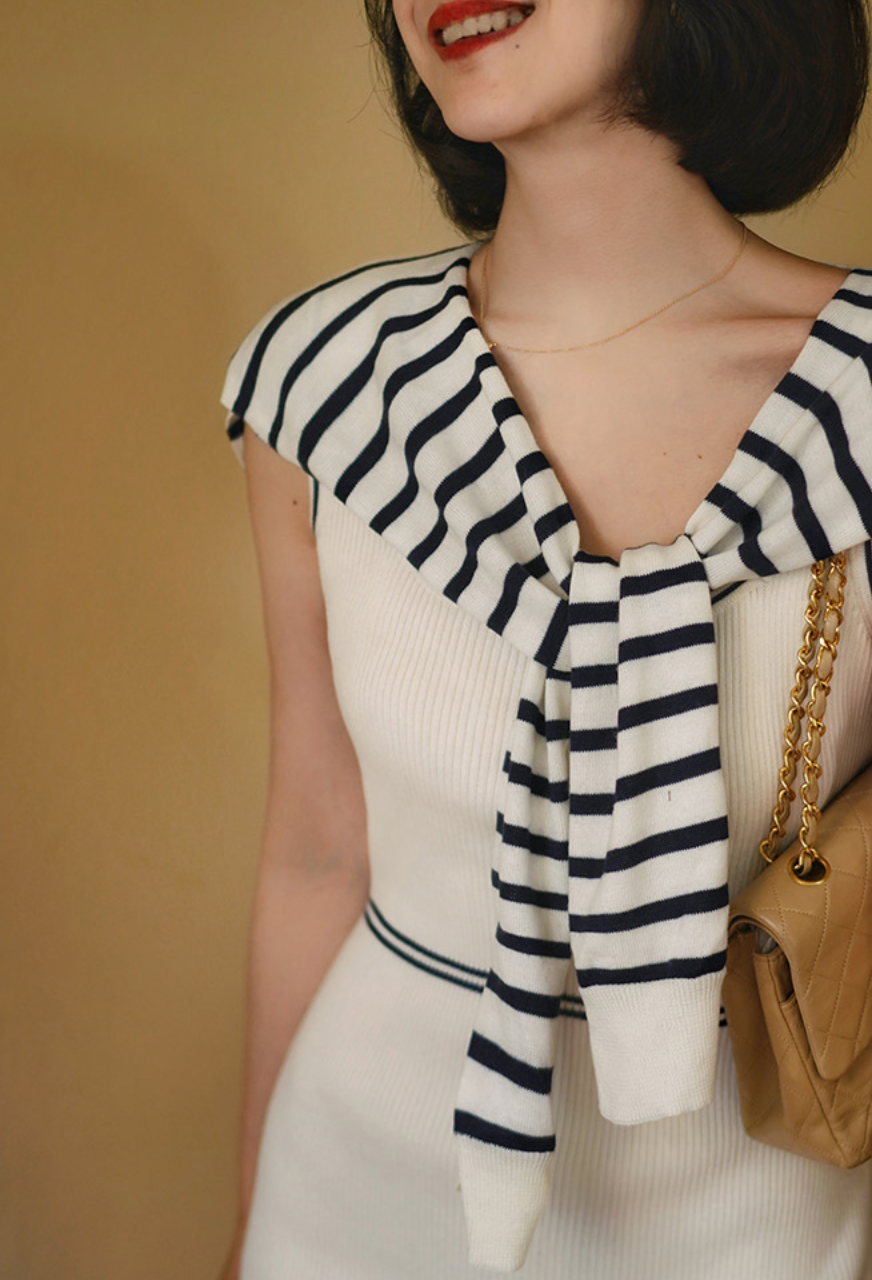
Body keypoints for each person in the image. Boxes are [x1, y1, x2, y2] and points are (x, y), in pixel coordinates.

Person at [219, 1, 872, 1276]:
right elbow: (314, 844)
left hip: (758, 1207)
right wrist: (249, 1227)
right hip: (352, 1181)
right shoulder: (327, 384)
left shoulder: (857, 404)